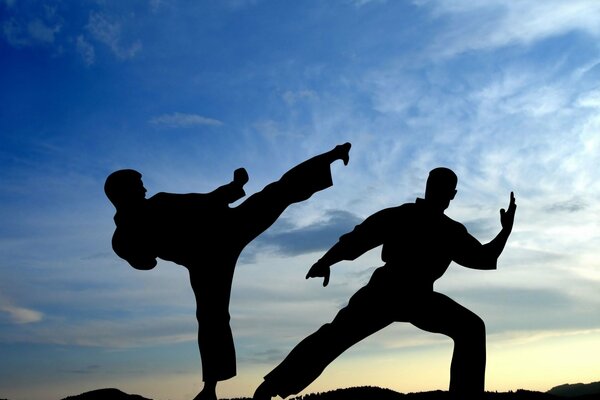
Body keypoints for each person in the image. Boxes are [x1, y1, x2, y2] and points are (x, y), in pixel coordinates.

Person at [104, 143, 351, 400]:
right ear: (122, 193)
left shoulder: (144, 216)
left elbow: (202, 203)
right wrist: (234, 188)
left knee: (278, 193)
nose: (144, 188)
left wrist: (235, 187)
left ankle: (332, 155)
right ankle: (210, 388)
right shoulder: (129, 230)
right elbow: (147, 259)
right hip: (210, 254)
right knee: (212, 318)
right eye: (138, 185)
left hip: (226, 230)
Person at [253, 167, 517, 399]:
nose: (441, 193)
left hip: (417, 296)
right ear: (434, 189)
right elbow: (358, 239)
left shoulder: (450, 230)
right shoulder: (404, 216)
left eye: (444, 189)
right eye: (437, 187)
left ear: (452, 194)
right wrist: (327, 261)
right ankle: (271, 387)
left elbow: (483, 258)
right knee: (334, 336)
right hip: (386, 291)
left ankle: (465, 399)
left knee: (471, 328)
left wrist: (505, 231)